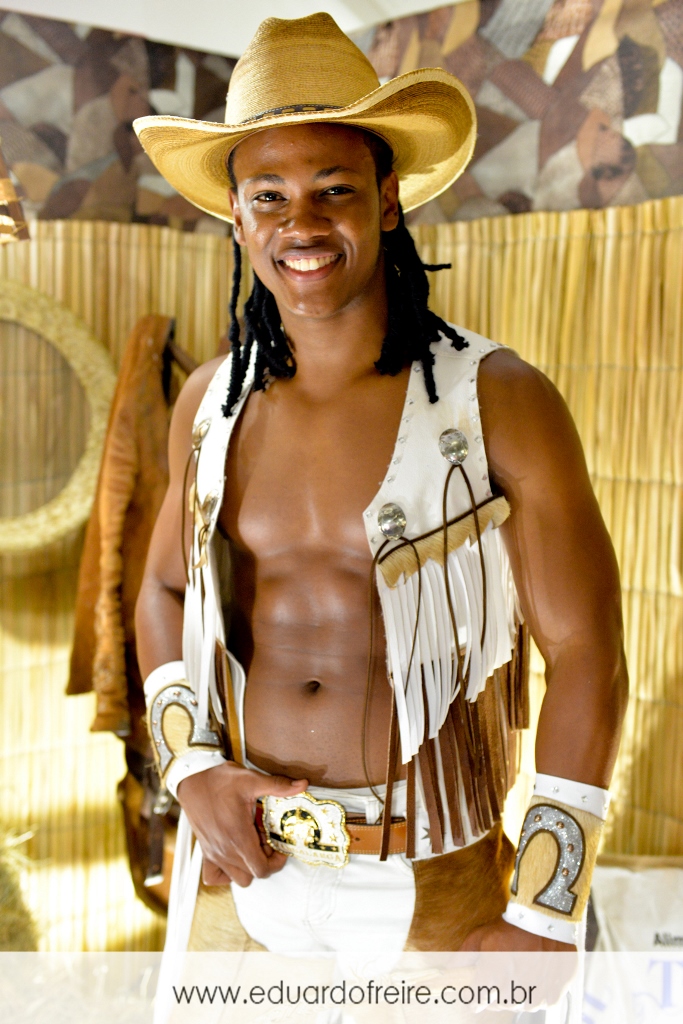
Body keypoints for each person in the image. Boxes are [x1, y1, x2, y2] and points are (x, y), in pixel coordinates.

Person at [133, 13, 628, 957]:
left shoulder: (498, 398)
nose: (301, 224)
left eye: (334, 190)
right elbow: (162, 587)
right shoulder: (210, 401)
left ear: (388, 201)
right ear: (237, 218)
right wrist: (190, 766)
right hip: (241, 861)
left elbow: (587, 651)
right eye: (270, 197)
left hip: (436, 872)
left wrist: (546, 909)